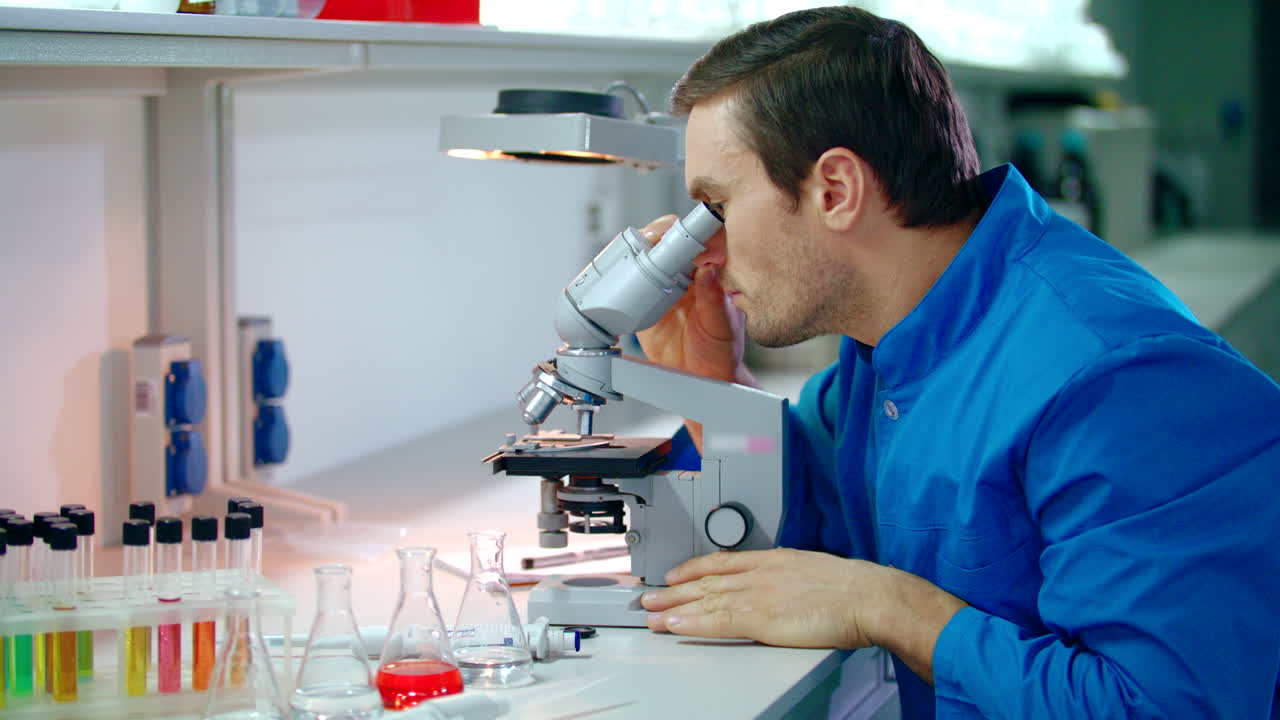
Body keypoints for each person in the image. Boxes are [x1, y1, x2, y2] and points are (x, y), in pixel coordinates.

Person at [632, 6, 1280, 718]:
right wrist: (713, 387)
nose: (704, 253)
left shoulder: (1120, 381)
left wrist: (889, 606)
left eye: (717, 208)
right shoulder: (891, 342)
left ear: (836, 191)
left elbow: (1163, 707)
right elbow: (806, 525)